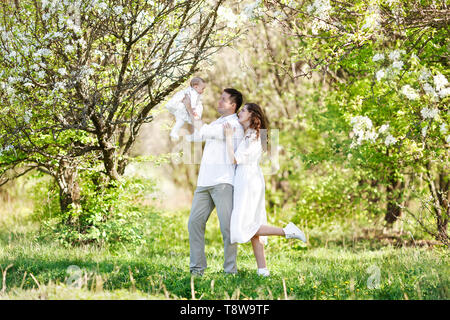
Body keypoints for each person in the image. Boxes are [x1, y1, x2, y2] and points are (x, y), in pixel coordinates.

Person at [223, 103, 307, 277]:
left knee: (247, 225)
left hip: (248, 180)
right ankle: (263, 270)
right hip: (248, 178)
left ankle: (288, 231)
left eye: (244, 110)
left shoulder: (252, 136)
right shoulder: (250, 134)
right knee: (254, 227)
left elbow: (234, 160)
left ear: (253, 116)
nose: (240, 112)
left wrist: (228, 137)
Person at [182, 88, 245, 276]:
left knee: (227, 229)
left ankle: (230, 271)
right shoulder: (219, 122)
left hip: (223, 182)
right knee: (194, 222)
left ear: (233, 106)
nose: (219, 101)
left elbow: (204, 131)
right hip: (205, 182)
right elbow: (201, 134)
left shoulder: (234, 124)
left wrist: (189, 108)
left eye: (223, 99)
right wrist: (192, 114)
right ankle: (197, 270)